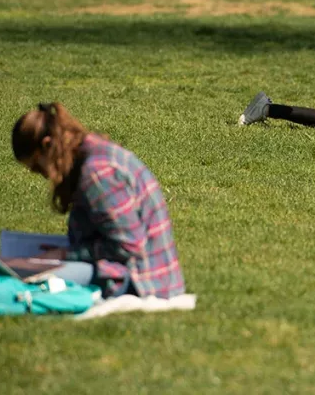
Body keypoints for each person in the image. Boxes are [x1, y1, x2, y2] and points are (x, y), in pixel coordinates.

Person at [11, 103, 185, 298]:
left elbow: (128, 246)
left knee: (25, 280)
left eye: (37, 167)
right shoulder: (88, 151)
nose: (41, 175)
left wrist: (64, 255)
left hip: (142, 281)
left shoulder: (97, 174)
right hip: (136, 271)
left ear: (47, 144)